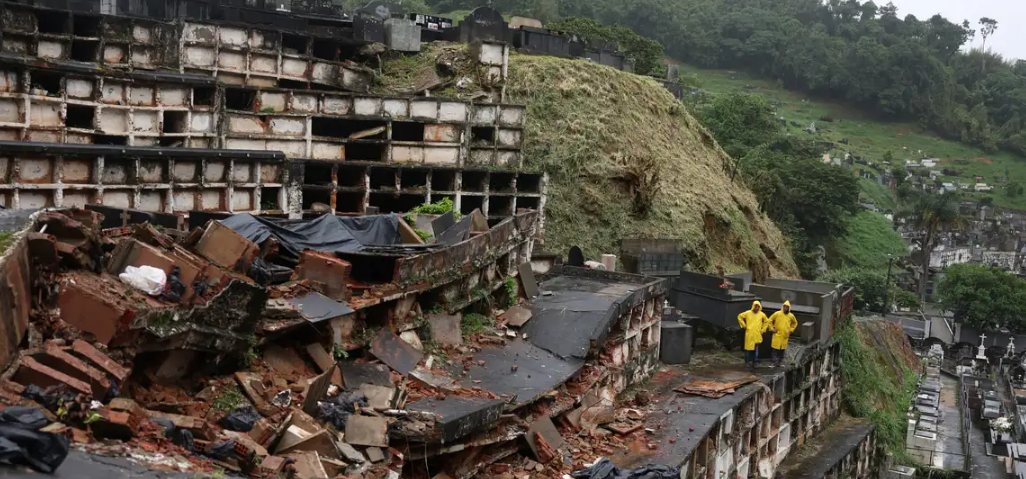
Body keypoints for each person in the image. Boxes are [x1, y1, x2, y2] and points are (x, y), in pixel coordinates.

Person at [737, 301, 769, 370]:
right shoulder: (748, 313)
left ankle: (754, 363)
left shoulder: (762, 314)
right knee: (748, 350)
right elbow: (739, 316)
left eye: (758, 306)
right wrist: (744, 325)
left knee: (755, 350)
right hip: (749, 334)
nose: (757, 308)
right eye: (756, 306)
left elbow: (767, 321)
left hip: (757, 334)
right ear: (753, 306)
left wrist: (763, 330)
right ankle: (747, 362)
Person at [769, 300, 799, 368]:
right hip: (777, 335)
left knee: (782, 350)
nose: (785, 308)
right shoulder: (777, 313)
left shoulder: (791, 316)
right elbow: (769, 320)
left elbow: (795, 323)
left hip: (785, 336)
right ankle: (774, 362)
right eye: (784, 307)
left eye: (787, 307)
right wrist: (772, 329)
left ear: (789, 308)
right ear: (783, 307)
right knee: (775, 350)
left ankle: (779, 362)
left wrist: (791, 330)